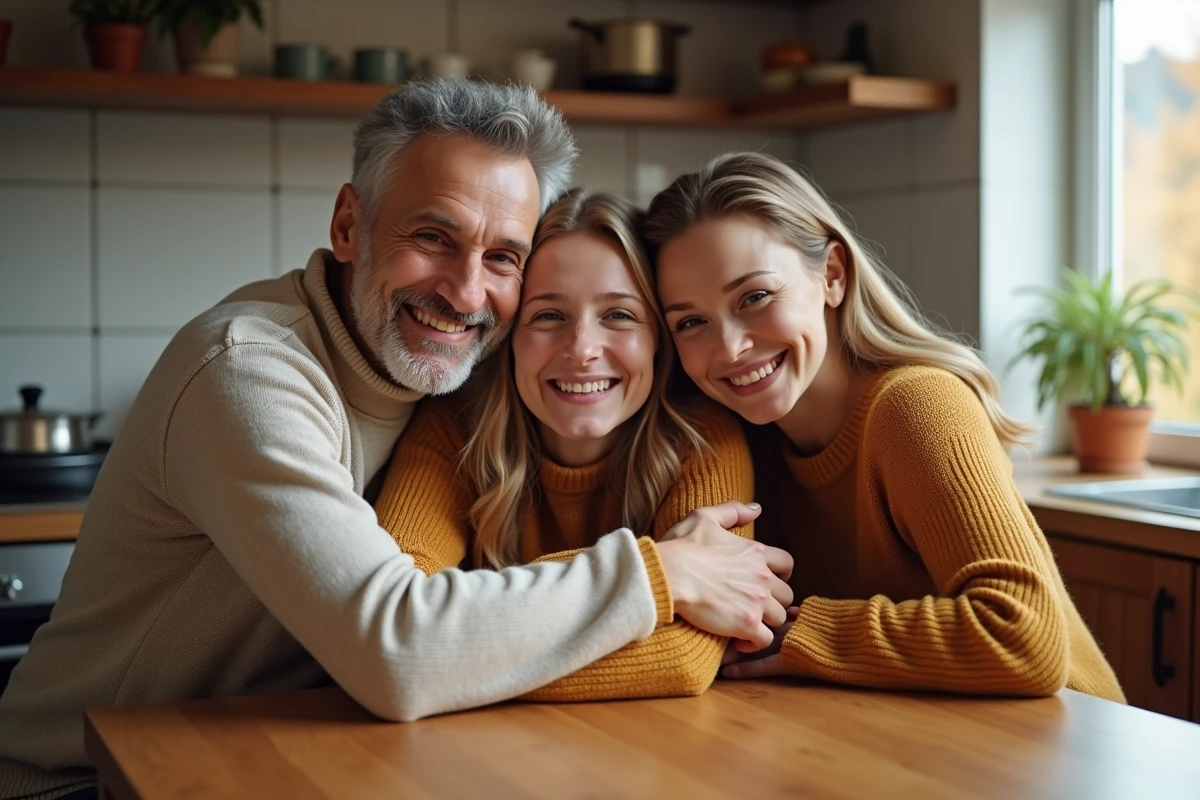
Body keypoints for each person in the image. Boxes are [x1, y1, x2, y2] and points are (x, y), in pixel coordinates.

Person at [0, 84, 792, 800]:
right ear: (349, 224)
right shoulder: (248, 373)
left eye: (502, 258)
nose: (465, 290)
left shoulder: (432, 378)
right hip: (85, 779)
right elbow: (401, 651)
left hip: (267, 750)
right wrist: (663, 572)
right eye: (433, 236)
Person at [642, 151, 1125, 702]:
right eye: (691, 322)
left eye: (755, 297)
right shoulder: (734, 439)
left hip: (1070, 748)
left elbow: (1025, 638)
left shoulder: (917, 406)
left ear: (832, 276)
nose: (729, 347)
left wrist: (801, 632)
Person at [376, 188, 777, 701]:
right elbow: (400, 628)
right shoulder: (452, 432)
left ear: (659, 337)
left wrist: (463, 656)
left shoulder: (703, 441)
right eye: (548, 316)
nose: (583, 349)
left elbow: (685, 659)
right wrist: (660, 570)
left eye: (619, 315)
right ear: (509, 339)